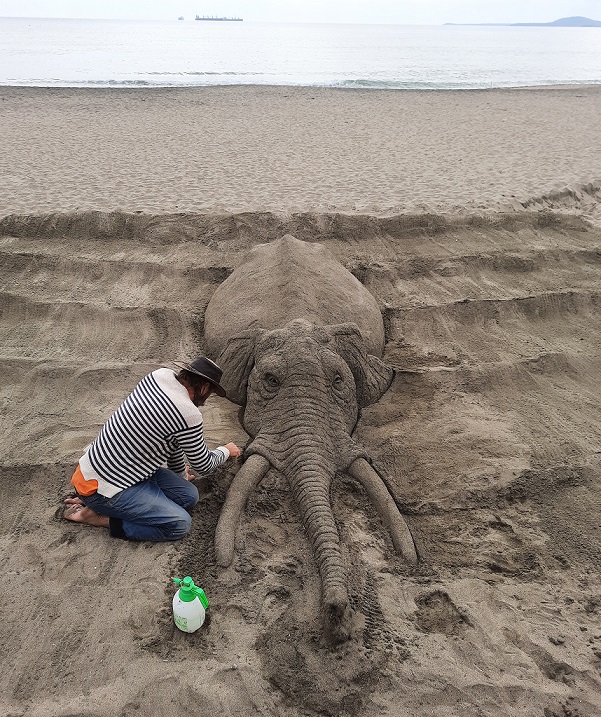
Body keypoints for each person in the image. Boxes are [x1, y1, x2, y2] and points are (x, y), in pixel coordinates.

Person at [64, 356, 241, 541]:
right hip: (102, 488)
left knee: (189, 495)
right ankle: (100, 517)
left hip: (108, 469)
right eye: (210, 393)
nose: (206, 398)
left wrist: (180, 476)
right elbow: (203, 465)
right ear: (203, 387)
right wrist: (227, 450)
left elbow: (172, 442)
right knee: (179, 524)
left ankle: (102, 503)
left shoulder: (158, 376)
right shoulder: (189, 414)